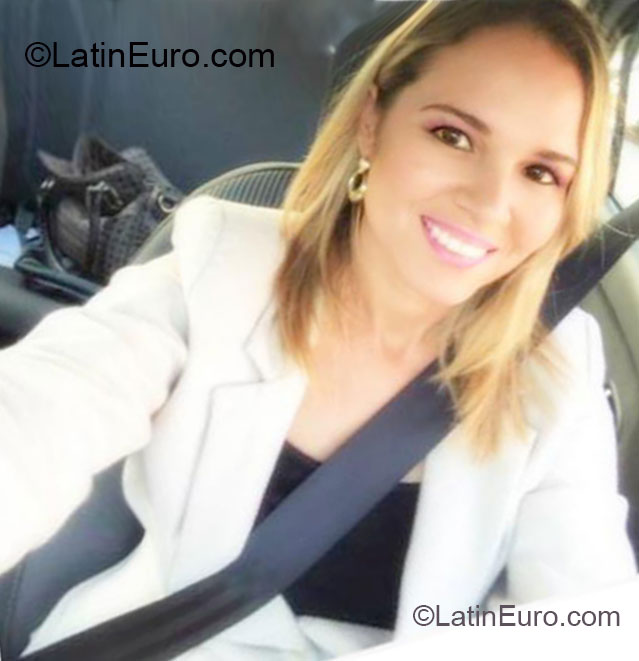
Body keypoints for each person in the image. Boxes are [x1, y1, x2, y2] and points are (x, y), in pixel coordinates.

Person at [1, 0, 637, 659]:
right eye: (453, 136)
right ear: (372, 122)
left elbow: (587, 620)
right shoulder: (219, 267)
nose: (488, 202)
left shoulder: (557, 373)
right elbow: (42, 413)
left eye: (540, 173)